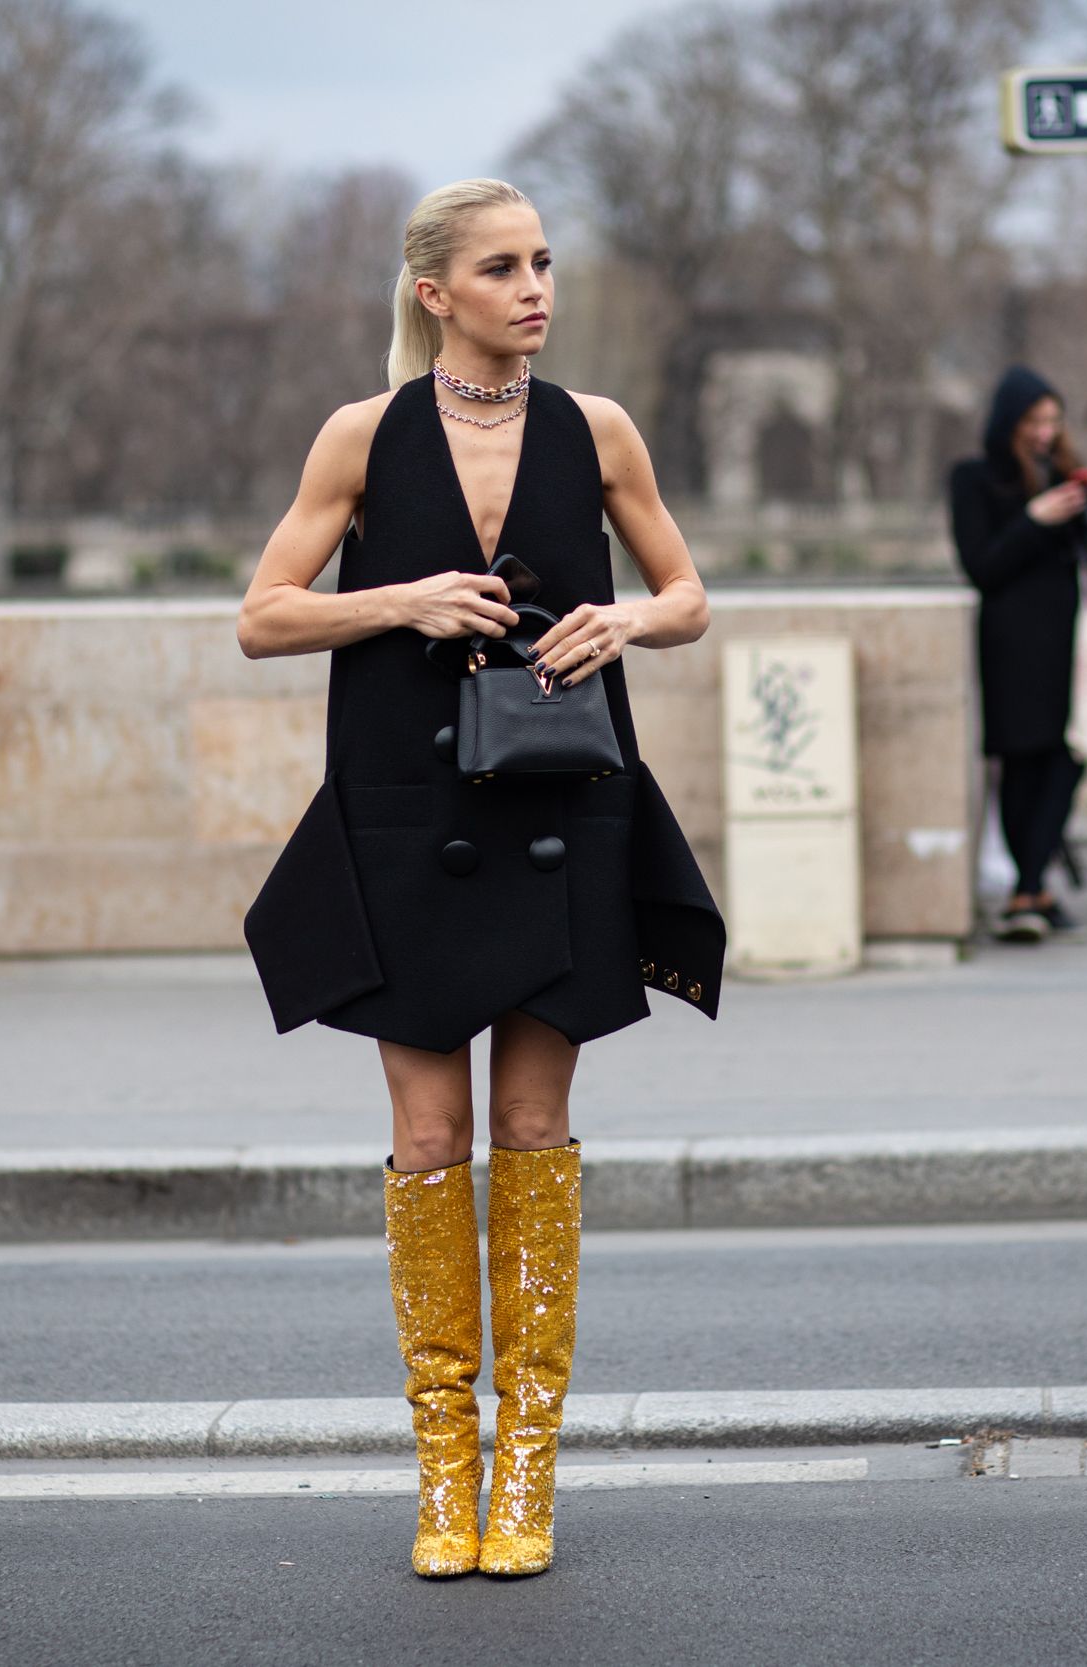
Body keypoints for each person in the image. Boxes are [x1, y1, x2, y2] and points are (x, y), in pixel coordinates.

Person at [236, 179, 722, 1578]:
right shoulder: (363, 434)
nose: (535, 287)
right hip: (407, 818)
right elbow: (264, 614)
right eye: (502, 267)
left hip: (564, 809)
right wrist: (407, 597)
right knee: (432, 1137)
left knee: (532, 1122)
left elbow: (689, 593)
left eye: (545, 263)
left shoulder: (599, 428)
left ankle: (529, 1476)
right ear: (434, 293)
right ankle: (444, 1472)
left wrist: (628, 618)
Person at [952, 366, 1087, 943]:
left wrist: (1081, 502)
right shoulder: (974, 478)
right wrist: (1035, 520)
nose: (1045, 431)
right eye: (1035, 420)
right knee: (1022, 759)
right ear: (1010, 421)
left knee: (1070, 755)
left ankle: (1030, 888)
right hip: (1012, 644)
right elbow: (981, 566)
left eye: (1054, 420)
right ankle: (1030, 890)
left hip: (1072, 639)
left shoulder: (1063, 472)